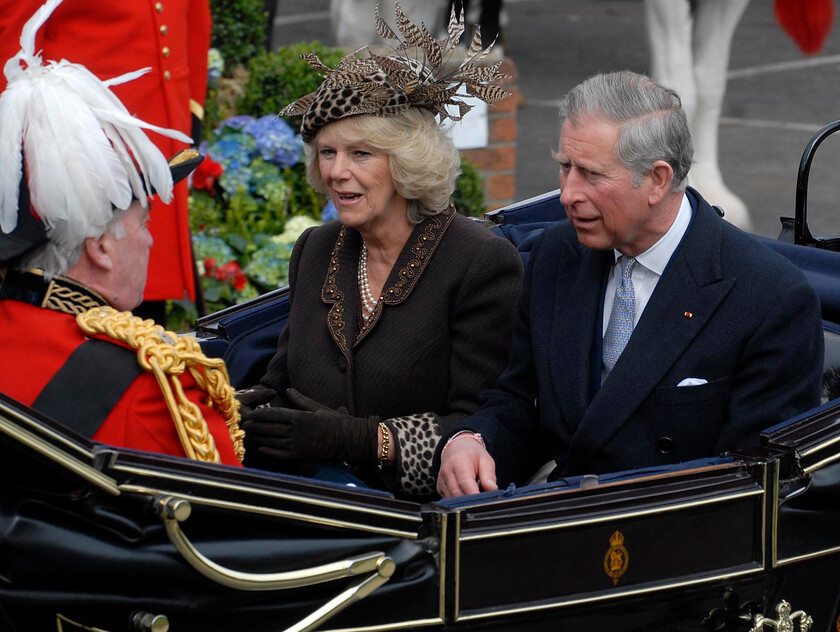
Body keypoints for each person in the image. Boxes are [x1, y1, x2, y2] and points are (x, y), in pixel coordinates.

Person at [436, 70, 824, 497]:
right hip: (554, 524)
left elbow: (752, 485)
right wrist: (472, 442)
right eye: (565, 167)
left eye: (591, 174)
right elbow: (519, 401)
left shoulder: (767, 298)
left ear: (657, 180)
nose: (567, 193)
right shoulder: (556, 255)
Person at [238, 3, 523, 498]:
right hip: (308, 500)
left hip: (413, 525)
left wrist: (369, 441)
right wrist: (231, 406)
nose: (336, 172)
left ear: (408, 162)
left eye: (360, 154)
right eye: (327, 153)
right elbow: (280, 382)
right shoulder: (317, 248)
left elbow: (487, 424)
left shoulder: (478, 262)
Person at [0, 0, 243, 466]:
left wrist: (186, 108)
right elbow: (14, 32)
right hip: (80, 146)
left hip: (144, 130)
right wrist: (27, 146)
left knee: (129, 307)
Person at [0, 0, 212, 323]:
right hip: (83, 165)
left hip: (156, 144)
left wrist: (190, 113)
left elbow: (194, 16)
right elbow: (11, 49)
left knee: (145, 311)